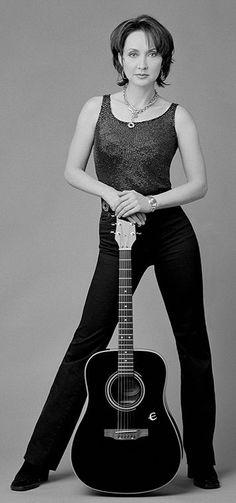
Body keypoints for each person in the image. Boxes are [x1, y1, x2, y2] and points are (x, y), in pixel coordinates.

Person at [11, 14, 220, 492]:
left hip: (170, 233)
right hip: (117, 233)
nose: (142, 62)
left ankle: (201, 461)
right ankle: (38, 459)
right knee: (87, 342)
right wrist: (112, 195)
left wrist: (149, 201)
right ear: (119, 60)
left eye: (151, 52)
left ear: (164, 58)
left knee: (194, 344)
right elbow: (72, 170)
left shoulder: (176, 115)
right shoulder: (96, 108)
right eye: (132, 53)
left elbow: (199, 184)